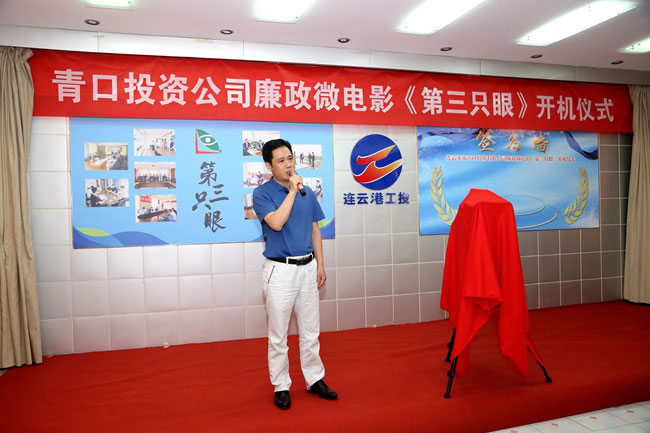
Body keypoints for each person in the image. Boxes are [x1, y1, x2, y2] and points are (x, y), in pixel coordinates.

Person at [253, 138, 337, 410]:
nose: (288, 164)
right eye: (281, 161)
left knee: (311, 331)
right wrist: (291, 191)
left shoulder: (307, 192)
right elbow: (276, 223)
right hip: (280, 271)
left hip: (308, 268)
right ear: (269, 166)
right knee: (278, 335)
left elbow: (315, 229)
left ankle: (314, 379)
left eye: (290, 158)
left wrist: (320, 264)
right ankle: (281, 385)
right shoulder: (262, 194)